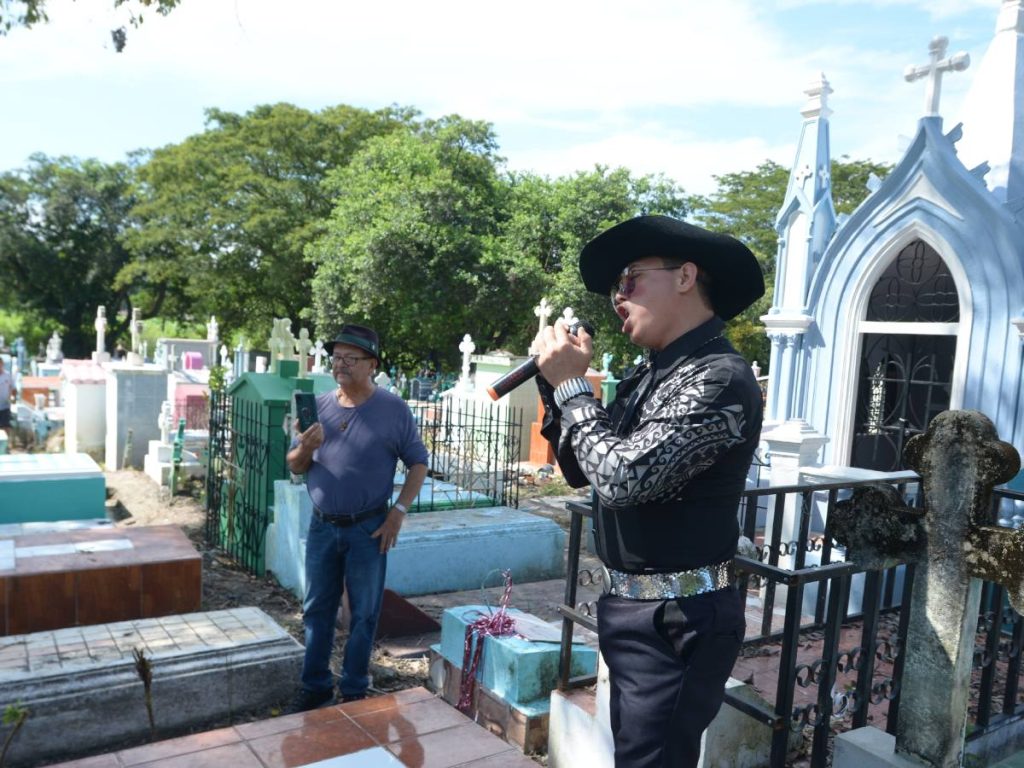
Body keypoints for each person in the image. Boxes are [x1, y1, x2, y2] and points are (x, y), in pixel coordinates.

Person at [533, 215, 765, 768]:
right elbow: (583, 467)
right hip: (633, 609)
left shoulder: (719, 376)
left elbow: (622, 480)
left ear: (685, 276)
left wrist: (573, 387)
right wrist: (554, 386)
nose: (618, 296)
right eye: (617, 285)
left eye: (631, 278)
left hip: (679, 618)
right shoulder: (650, 374)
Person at [286, 323, 428, 710]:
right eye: (336, 358)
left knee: (364, 613)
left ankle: (353, 689)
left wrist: (398, 512)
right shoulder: (318, 407)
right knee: (317, 609)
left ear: (372, 365)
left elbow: (418, 462)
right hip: (322, 525)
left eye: (351, 358)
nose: (341, 365)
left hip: (369, 528)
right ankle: (315, 686)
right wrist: (305, 448)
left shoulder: (392, 409)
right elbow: (296, 465)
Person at [0, 357, 12, 430]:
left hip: (5, 406)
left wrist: (10, 397)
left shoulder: (7, 375)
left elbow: (12, 387)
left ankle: (7, 441)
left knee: (6, 427)